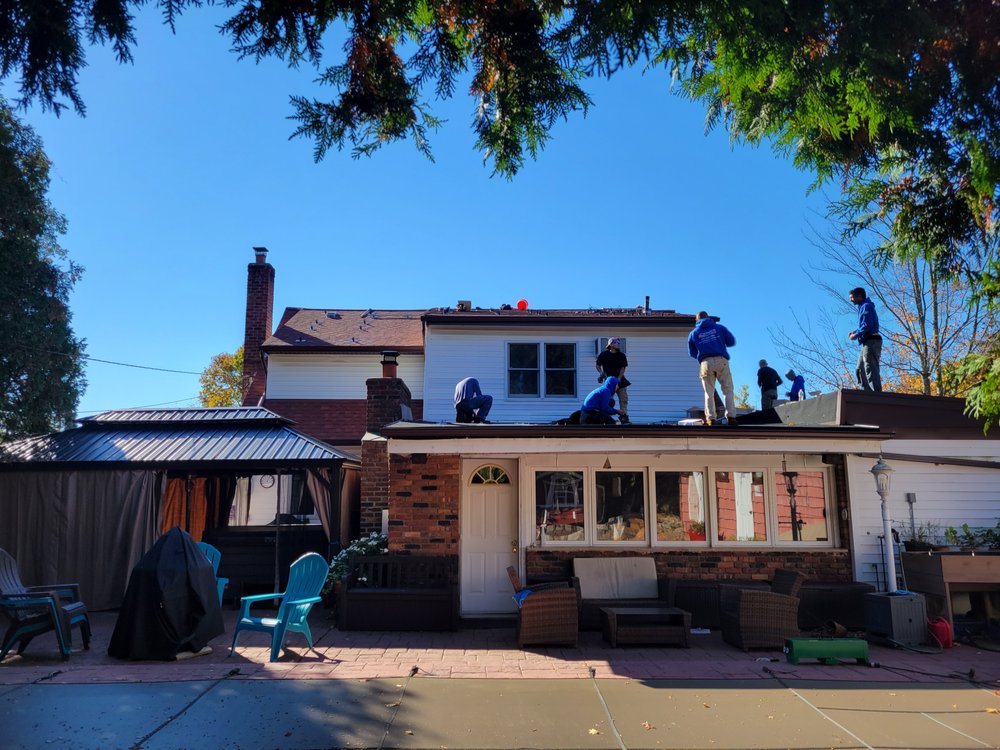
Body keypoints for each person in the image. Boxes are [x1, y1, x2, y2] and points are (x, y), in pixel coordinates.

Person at [687, 312, 737, 425]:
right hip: (721, 360)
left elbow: (691, 353)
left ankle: (711, 418)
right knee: (727, 389)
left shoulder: (694, 333)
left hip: (706, 362)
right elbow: (731, 341)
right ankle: (731, 417)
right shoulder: (719, 328)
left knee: (708, 392)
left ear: (697, 320)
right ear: (708, 318)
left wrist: (702, 355)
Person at [848, 286, 882, 392]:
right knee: (860, 368)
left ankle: (877, 394)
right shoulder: (862, 307)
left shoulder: (866, 306)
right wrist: (855, 332)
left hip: (872, 340)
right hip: (866, 342)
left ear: (859, 296)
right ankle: (867, 393)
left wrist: (856, 335)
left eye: (852, 297)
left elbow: (867, 325)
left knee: (870, 366)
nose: (851, 300)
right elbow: (865, 324)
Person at [596, 336, 630, 424]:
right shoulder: (604, 354)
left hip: (620, 381)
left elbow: (623, 368)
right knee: (608, 400)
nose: (618, 344)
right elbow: (598, 365)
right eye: (616, 343)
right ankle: (606, 417)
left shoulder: (621, 355)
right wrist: (601, 373)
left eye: (619, 343)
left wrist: (618, 379)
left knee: (623, 399)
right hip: (609, 382)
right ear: (610, 344)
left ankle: (624, 416)